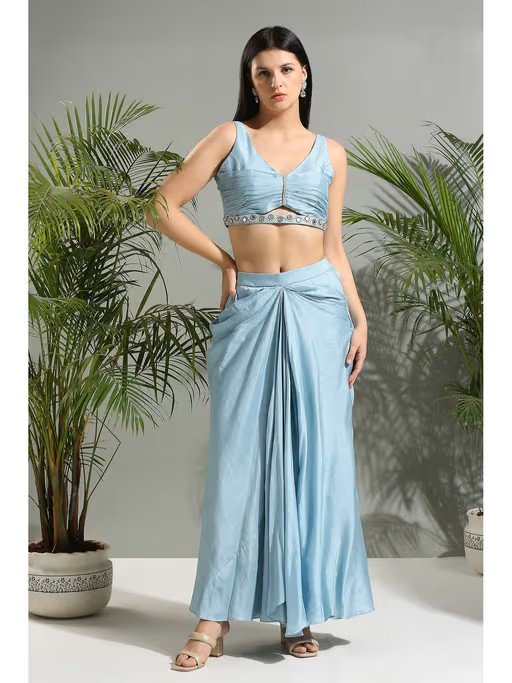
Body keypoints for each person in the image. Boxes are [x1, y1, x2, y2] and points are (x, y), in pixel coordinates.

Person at [146, 26, 375, 672]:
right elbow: (162, 205)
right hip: (250, 312)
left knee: (313, 459)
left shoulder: (332, 154)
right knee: (238, 462)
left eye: (286, 69)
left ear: (305, 75)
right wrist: (224, 259)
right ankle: (213, 616)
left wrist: (359, 317)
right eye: (263, 72)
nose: (276, 82)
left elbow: (333, 247)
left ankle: (296, 610)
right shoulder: (230, 138)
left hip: (320, 311)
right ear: (251, 81)